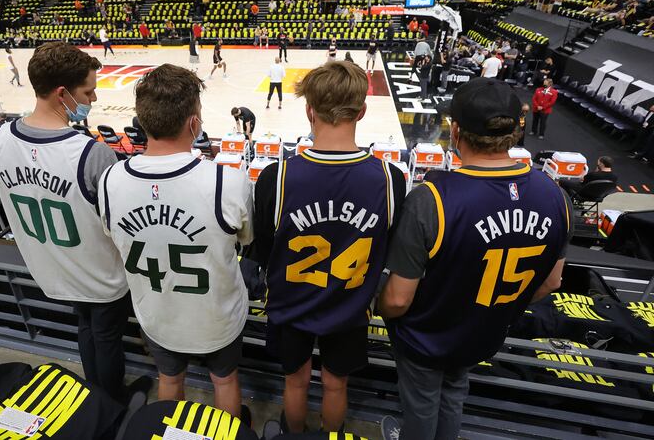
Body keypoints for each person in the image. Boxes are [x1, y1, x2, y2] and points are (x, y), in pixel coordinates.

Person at [379, 78, 571, 440]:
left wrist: (383, 312)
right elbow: (552, 282)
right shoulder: (556, 197)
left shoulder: (432, 198)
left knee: (421, 404)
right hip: (484, 332)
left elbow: (398, 299)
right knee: (453, 394)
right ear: (517, 131)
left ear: (455, 131)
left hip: (427, 335)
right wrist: (495, 309)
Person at [0, 42, 148, 404]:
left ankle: (95, 396)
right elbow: (120, 221)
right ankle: (112, 404)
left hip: (51, 265)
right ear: (62, 93)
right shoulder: (92, 153)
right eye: (88, 90)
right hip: (99, 271)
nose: (95, 96)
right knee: (106, 337)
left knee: (87, 328)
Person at [254, 61, 405, 434]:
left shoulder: (277, 177)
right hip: (350, 307)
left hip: (291, 305)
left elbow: (264, 252)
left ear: (309, 110)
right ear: (363, 111)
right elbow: (388, 249)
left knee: (296, 381)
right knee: (337, 383)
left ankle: (294, 434)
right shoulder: (390, 179)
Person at [99, 64, 253, 420]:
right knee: (225, 381)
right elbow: (246, 240)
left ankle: (170, 429)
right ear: (194, 123)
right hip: (216, 314)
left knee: (168, 379)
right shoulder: (227, 182)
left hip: (157, 312)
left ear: (142, 122)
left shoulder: (110, 180)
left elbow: (113, 237)